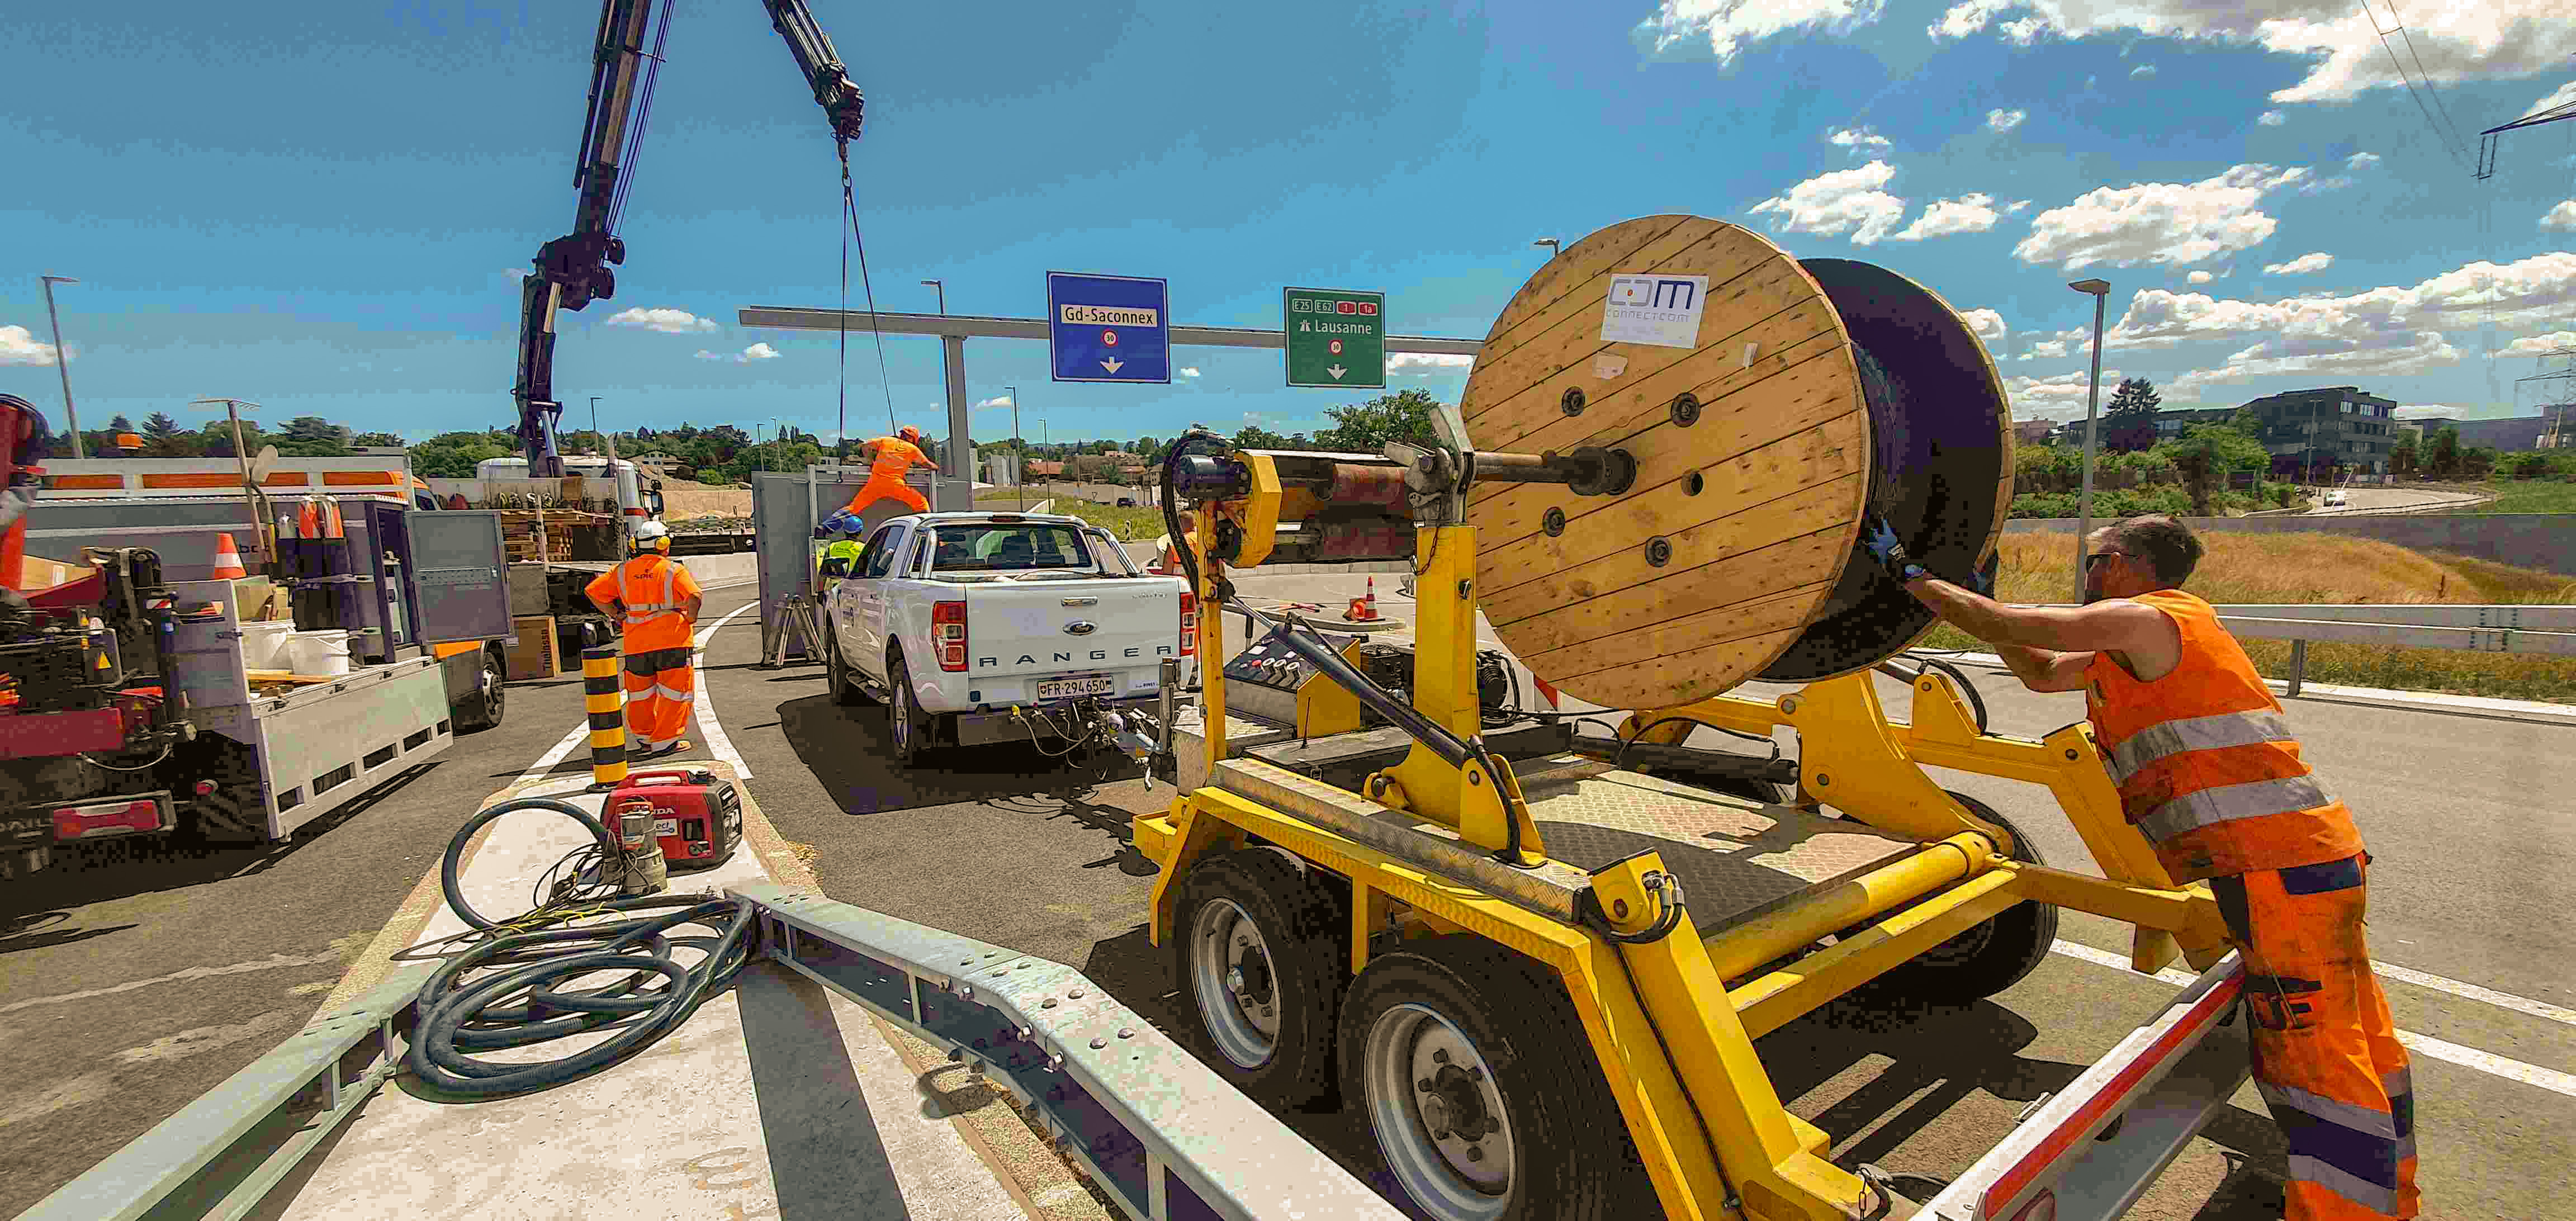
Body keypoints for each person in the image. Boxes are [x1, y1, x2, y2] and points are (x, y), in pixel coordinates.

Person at [1871, 513, 2416, 1220]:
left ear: (2129, 564)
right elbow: (2038, 672)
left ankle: (2347, 1213)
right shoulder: (2140, 641)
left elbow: (2006, 621)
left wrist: (1912, 575)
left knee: (2311, 1058)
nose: (2088, 575)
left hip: (2275, 868)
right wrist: (1985, 608)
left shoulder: (2148, 620)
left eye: (2096, 560)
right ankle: (2390, 1194)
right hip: (2303, 862)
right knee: (2356, 1034)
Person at [585, 520, 704, 761]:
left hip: (636, 644)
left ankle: (645, 738)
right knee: (675, 694)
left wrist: (617, 615)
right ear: (664, 544)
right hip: (673, 641)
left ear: (635, 545)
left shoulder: (621, 571)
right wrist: (690, 618)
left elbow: (593, 592)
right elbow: (695, 595)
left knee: (640, 694)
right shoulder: (673, 570)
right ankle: (666, 741)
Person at [817, 425, 937, 536]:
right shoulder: (913, 449)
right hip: (896, 485)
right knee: (921, 503)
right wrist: (937, 467)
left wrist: (871, 462)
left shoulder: (886, 440)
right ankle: (928, 534)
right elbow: (928, 465)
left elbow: (865, 447)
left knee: (854, 508)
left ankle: (825, 528)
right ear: (914, 439)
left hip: (875, 484)